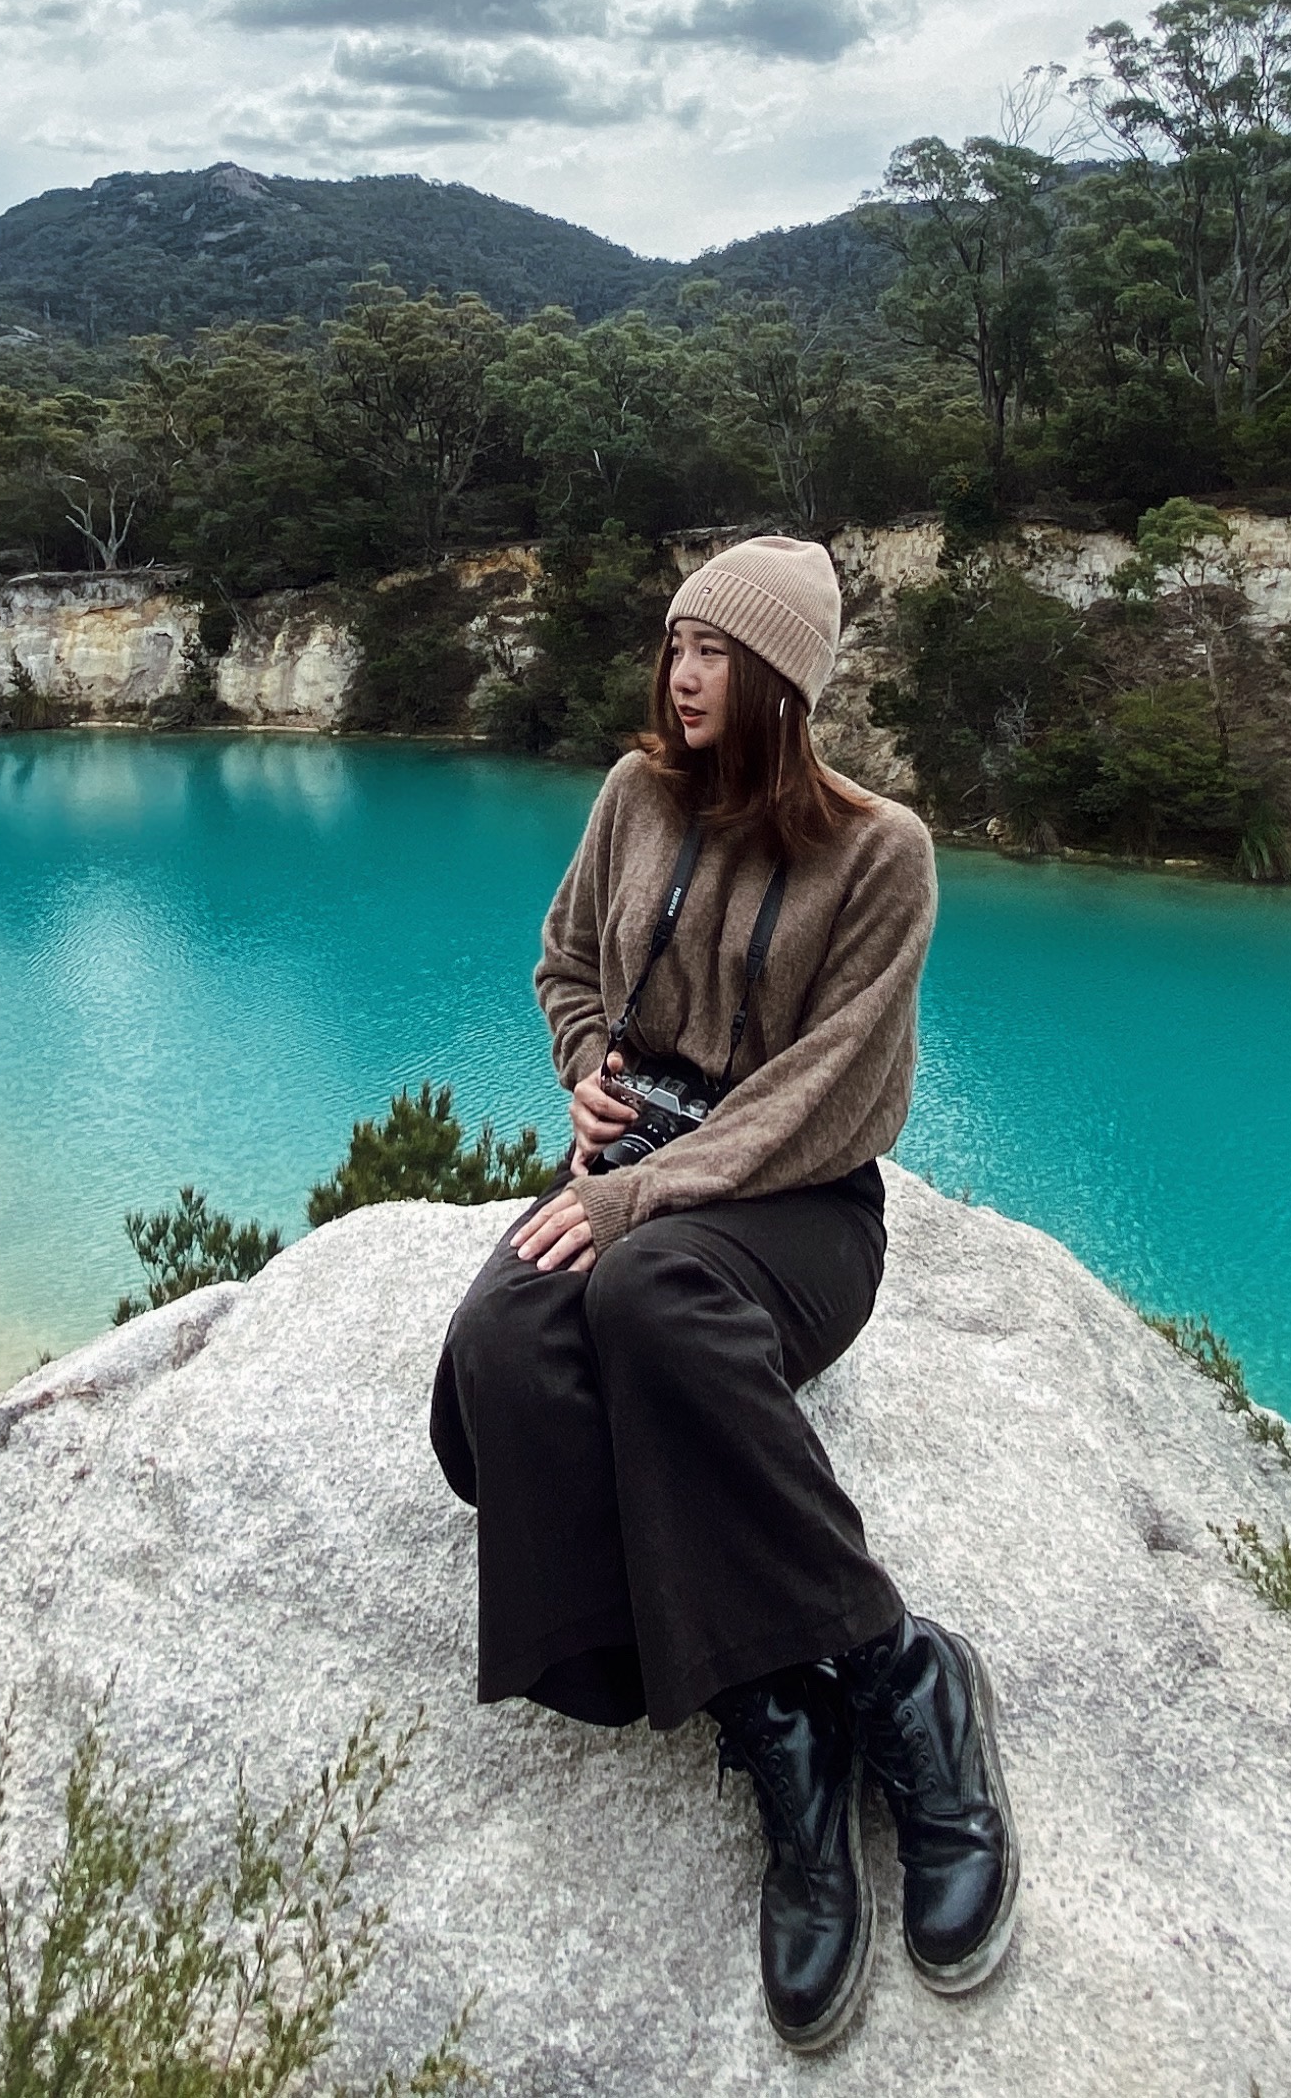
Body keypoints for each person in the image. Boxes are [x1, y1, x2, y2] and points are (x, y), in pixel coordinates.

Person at [428, 534, 1016, 2055]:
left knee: (651, 1303)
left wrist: (638, 1194)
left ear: (782, 680)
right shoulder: (632, 801)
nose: (680, 674)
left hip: (799, 1202)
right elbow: (564, 962)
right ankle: (776, 1701)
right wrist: (586, 1077)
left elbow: (828, 1089)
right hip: (648, 1163)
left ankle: (900, 1678)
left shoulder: (884, 853)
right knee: (496, 1351)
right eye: (674, 643)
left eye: (713, 653)